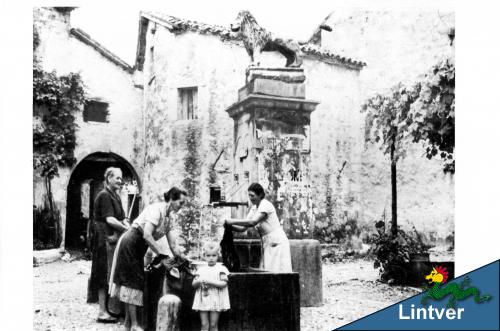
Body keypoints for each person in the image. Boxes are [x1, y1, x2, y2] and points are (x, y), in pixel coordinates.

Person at [109, 187, 187, 331]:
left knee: (136, 281)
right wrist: (160, 254)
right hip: (131, 242)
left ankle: (128, 324)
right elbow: (146, 234)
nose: (181, 206)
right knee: (133, 282)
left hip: (139, 247)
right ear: (171, 199)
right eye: (180, 203)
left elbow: (173, 245)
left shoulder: (169, 217)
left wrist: (183, 258)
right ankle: (134, 325)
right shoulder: (156, 210)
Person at [89, 167, 130, 323]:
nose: (120, 181)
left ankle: (111, 308)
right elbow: (110, 220)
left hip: (113, 239)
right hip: (104, 238)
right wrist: (127, 229)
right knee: (103, 272)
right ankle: (101, 311)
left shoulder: (116, 196)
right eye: (117, 178)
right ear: (108, 178)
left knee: (111, 273)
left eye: (121, 178)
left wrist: (129, 224)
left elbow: (122, 217)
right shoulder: (105, 195)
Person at [225, 183, 292, 272]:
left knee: (278, 271)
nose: (250, 198)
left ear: (260, 195)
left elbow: (252, 222)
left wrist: (232, 221)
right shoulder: (254, 209)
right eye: (249, 195)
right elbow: (243, 228)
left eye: (252, 195)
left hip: (277, 242)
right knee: (268, 270)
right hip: (267, 242)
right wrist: (230, 226)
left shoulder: (265, 205)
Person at [192, 242, 230, 331]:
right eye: (208, 256)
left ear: (218, 255)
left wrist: (210, 281)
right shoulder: (200, 270)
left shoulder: (221, 269)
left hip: (216, 299)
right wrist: (199, 281)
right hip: (204, 298)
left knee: (213, 324)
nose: (211, 258)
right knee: (204, 324)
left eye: (214, 255)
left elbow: (224, 284)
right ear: (204, 256)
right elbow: (193, 284)